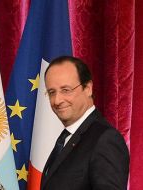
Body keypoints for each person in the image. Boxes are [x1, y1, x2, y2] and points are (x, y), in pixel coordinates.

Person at [40, 56, 129, 190]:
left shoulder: (105, 139)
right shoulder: (66, 137)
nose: (57, 100)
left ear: (88, 88)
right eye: (52, 92)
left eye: (66, 90)